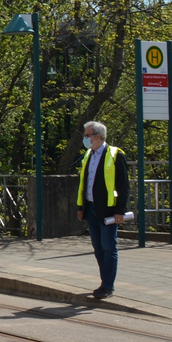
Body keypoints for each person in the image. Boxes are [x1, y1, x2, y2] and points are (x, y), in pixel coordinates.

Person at [76, 120, 130, 300]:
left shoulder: (115, 155)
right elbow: (84, 183)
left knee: (108, 247)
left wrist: (120, 211)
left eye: (87, 136)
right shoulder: (88, 155)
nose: (85, 139)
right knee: (98, 248)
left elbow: (123, 185)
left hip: (108, 210)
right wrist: (81, 207)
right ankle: (104, 282)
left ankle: (107, 285)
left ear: (98, 137)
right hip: (90, 207)